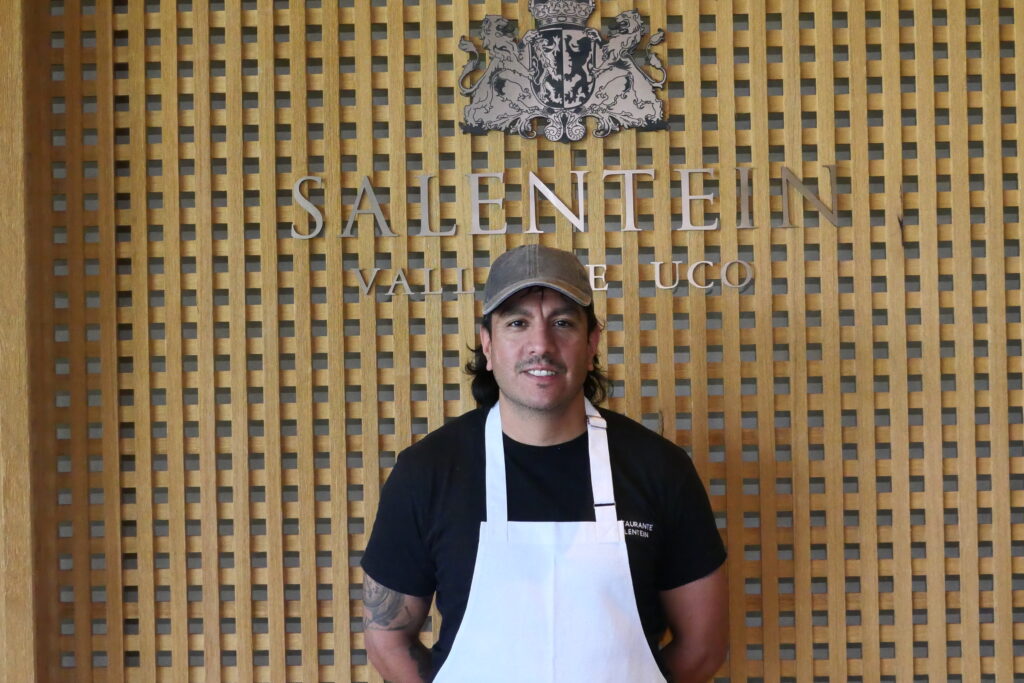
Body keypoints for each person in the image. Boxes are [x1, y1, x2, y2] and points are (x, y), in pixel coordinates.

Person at [361, 244, 728, 682]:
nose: (541, 344)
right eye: (518, 323)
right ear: (488, 344)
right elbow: (387, 641)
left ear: (592, 343)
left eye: (562, 323)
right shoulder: (426, 473)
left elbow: (703, 647)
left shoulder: (661, 469)